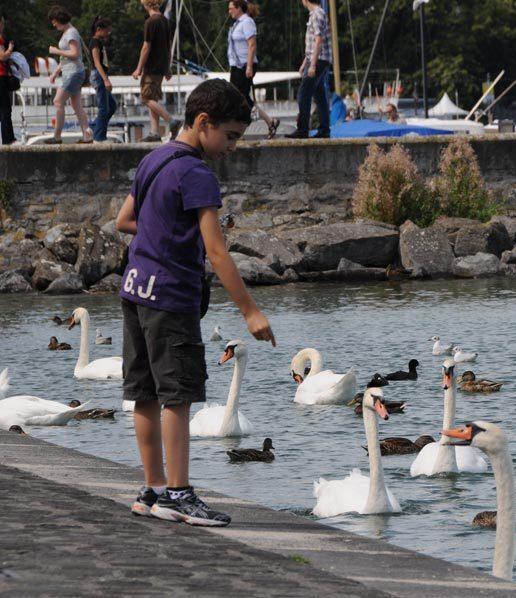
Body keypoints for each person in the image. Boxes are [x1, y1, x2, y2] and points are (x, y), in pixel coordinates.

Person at [115, 79, 275, 527]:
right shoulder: (197, 173)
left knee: (144, 394)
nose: (232, 147)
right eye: (230, 136)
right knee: (178, 396)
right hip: (171, 297)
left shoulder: (154, 159)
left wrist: (162, 233)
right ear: (204, 122)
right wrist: (250, 310)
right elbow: (218, 252)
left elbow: (124, 220)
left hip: (134, 290)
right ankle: (179, 494)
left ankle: (153, 489)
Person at [227, 0, 280, 139]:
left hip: (245, 65)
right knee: (241, 98)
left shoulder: (247, 22)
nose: (229, 11)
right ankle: (270, 121)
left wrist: (249, 66)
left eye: (231, 8)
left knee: (239, 98)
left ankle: (239, 130)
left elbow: (252, 45)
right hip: (236, 66)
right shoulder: (236, 24)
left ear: (239, 8)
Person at [132, 0, 181, 142]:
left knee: (145, 98)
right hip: (161, 67)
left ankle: (171, 121)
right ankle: (154, 132)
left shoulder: (150, 22)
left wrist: (138, 68)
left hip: (151, 67)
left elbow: (146, 47)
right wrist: (167, 67)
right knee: (153, 98)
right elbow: (168, 46)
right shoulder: (165, 21)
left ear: (147, 4)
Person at [285, 0, 331, 139]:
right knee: (319, 96)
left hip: (318, 59)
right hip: (318, 59)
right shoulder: (317, 13)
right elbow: (312, 44)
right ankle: (324, 129)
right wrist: (305, 62)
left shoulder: (316, 14)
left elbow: (318, 41)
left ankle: (303, 129)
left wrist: (312, 65)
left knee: (303, 94)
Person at [46, 6, 92, 144]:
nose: (53, 24)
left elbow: (74, 54)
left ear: (59, 19)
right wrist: (56, 72)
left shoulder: (71, 33)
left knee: (58, 101)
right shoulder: (69, 31)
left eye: (54, 21)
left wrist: (56, 51)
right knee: (76, 105)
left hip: (74, 73)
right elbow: (66, 57)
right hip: (72, 72)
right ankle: (87, 137)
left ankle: (57, 137)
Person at [89, 17, 117, 142]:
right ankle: (99, 137)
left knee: (112, 106)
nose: (108, 32)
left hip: (101, 74)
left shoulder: (99, 42)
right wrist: (105, 80)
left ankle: (93, 127)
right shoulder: (94, 42)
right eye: (107, 30)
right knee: (104, 108)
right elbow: (97, 63)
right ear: (99, 29)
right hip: (99, 75)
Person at [0, 13, 15, 145]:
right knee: (6, 110)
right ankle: (8, 140)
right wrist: (10, 49)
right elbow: (2, 57)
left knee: (4, 109)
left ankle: (9, 138)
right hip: (1, 77)